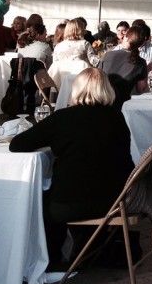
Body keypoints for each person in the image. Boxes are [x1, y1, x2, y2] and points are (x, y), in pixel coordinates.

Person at [9, 68, 134, 271]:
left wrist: (52, 143)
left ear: (75, 90)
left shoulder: (63, 118)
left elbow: (17, 145)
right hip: (115, 201)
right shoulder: (116, 118)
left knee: (36, 199)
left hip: (69, 205)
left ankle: (51, 257)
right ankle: (87, 248)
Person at [100, 26, 149, 106]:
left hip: (104, 101)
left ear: (126, 38)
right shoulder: (140, 62)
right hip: (123, 104)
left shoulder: (108, 55)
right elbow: (141, 88)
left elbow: (98, 77)